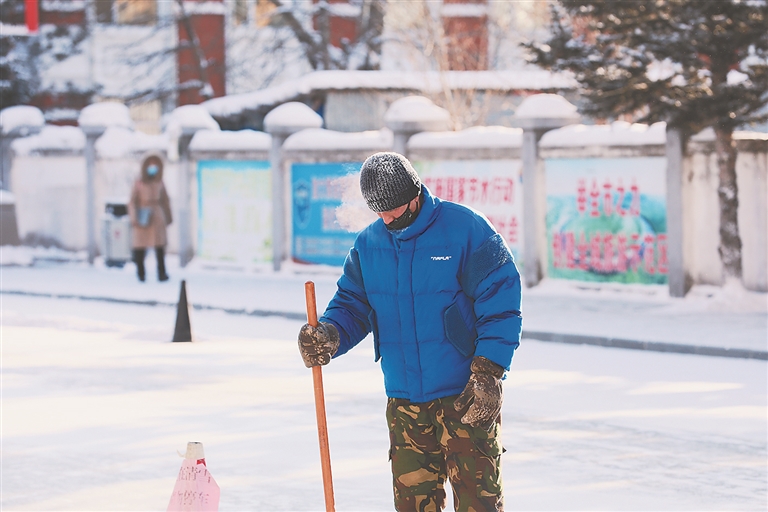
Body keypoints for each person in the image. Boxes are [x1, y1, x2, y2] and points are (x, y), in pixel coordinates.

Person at [298, 152, 522, 512]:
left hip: (464, 395)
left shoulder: (465, 230)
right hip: (405, 404)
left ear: (415, 194)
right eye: (380, 212)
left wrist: (489, 370)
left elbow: (501, 300)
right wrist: (330, 334)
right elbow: (352, 305)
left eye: (395, 210)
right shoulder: (369, 245)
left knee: (479, 505)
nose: (388, 219)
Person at [129, 155, 172, 282]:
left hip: (157, 217)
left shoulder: (160, 182)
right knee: (140, 248)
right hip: (142, 216)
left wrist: (168, 217)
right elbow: (132, 201)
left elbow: (165, 201)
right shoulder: (139, 183)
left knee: (160, 248)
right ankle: (141, 273)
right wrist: (134, 217)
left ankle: (162, 273)